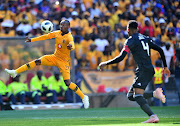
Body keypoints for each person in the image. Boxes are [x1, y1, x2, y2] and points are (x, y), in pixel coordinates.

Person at [5, 20, 89, 109]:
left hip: (64, 62)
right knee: (37, 61)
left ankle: (84, 97)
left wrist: (71, 46)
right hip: (54, 57)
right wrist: (32, 39)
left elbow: (72, 43)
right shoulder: (57, 33)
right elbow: (45, 36)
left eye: (63, 25)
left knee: (68, 83)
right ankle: (15, 72)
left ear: (68, 27)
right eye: (60, 25)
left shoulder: (69, 36)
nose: (61, 27)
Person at [99, 20, 170, 123]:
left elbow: (121, 57)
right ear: (137, 29)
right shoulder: (145, 38)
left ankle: (153, 116)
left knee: (137, 95)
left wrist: (106, 63)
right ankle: (154, 94)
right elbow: (160, 50)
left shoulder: (130, 41)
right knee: (131, 96)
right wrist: (165, 67)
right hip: (146, 69)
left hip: (143, 70)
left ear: (128, 30)